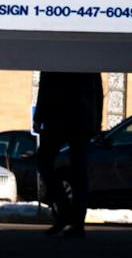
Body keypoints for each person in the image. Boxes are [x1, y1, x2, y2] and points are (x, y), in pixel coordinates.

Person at [34, 72, 103, 238]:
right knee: (80, 171)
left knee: (44, 160)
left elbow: (46, 85)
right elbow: (98, 91)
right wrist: (96, 121)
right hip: (83, 118)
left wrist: (39, 117)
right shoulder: (91, 58)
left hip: (58, 116)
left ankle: (65, 211)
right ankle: (78, 223)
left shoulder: (58, 52)